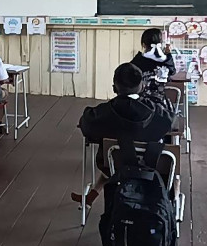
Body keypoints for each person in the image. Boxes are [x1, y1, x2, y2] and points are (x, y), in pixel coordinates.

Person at [71, 63, 174, 207]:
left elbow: (86, 125)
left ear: (114, 88)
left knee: (117, 158)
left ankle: (92, 194)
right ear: (142, 86)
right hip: (151, 167)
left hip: (113, 166)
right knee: (174, 174)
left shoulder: (101, 114)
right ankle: (173, 203)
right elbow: (170, 123)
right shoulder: (158, 114)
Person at [130, 28, 177, 109]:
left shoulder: (137, 62)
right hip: (161, 105)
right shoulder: (166, 61)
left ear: (144, 45)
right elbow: (172, 71)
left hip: (139, 105)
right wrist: (168, 55)